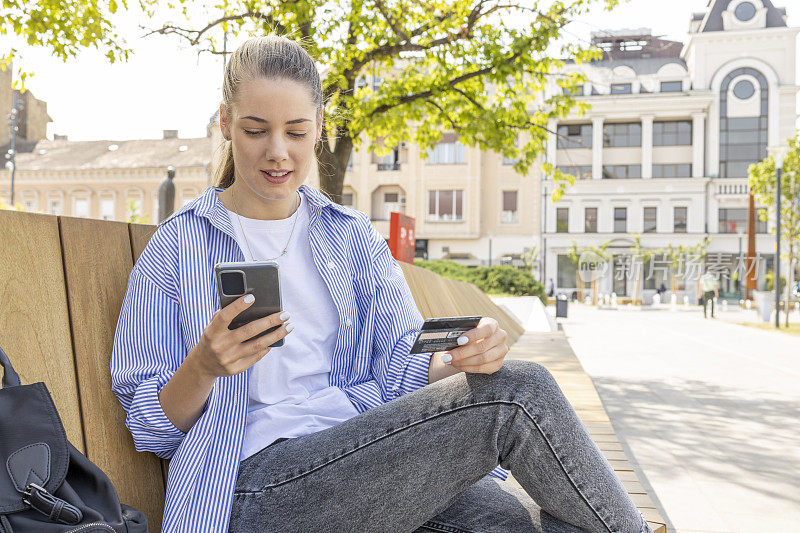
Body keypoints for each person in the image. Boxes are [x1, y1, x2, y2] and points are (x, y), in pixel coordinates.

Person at [110, 36, 650, 533]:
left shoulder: (349, 237)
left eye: (296, 132)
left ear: (320, 126)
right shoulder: (177, 249)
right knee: (520, 395)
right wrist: (203, 366)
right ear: (226, 123)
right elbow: (151, 428)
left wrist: (463, 354)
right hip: (253, 484)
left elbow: (404, 363)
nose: (278, 151)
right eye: (256, 130)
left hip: (365, 455)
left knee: (507, 521)